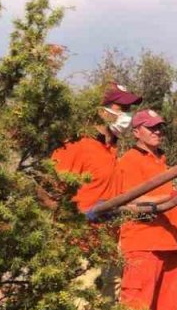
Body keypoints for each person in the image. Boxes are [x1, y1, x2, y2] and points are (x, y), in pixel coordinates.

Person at [108, 108, 177, 310]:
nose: (157, 131)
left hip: (168, 243)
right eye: (151, 127)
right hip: (143, 244)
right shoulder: (129, 161)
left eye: (159, 127)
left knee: (166, 307)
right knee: (137, 305)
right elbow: (130, 201)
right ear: (136, 132)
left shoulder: (162, 161)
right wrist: (169, 198)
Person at [49, 82, 141, 213]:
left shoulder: (112, 149)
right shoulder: (75, 146)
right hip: (80, 232)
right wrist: (82, 215)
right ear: (101, 110)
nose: (127, 115)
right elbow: (51, 197)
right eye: (122, 108)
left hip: (108, 232)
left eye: (128, 109)